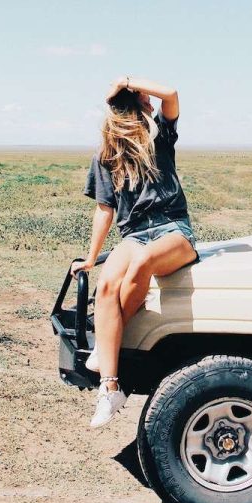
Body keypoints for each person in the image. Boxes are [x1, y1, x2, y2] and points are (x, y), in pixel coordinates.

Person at [72, 76, 198, 429]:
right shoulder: (106, 157)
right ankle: (109, 389)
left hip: (173, 228)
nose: (148, 98)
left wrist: (128, 80)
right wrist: (90, 255)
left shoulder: (160, 137)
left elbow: (172, 93)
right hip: (134, 233)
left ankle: (105, 346)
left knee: (142, 263)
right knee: (107, 287)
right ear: (133, 106)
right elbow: (104, 210)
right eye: (142, 97)